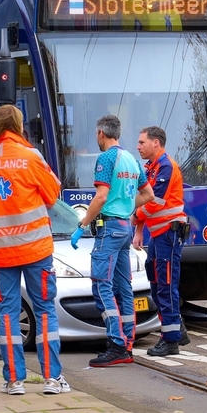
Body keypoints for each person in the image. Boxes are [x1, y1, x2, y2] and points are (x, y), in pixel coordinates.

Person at [0, 105, 66, 395]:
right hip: (35, 250)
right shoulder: (30, 157)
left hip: (0, 252)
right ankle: (52, 379)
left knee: (8, 314)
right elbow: (53, 194)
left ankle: (14, 380)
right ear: (18, 125)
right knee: (43, 312)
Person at [76, 115, 154, 368]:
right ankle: (127, 342)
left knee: (102, 285)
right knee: (123, 287)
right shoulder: (131, 159)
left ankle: (116, 343)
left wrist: (82, 224)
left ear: (101, 133)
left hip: (109, 228)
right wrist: (126, 207)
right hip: (124, 229)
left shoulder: (107, 158)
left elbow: (100, 197)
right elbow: (148, 194)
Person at [132, 126, 190, 357]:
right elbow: (144, 201)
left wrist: (135, 217)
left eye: (142, 142)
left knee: (165, 285)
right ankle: (177, 330)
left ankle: (171, 340)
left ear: (156, 143)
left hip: (168, 233)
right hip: (159, 235)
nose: (138, 146)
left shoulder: (166, 166)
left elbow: (154, 202)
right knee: (156, 283)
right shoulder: (151, 167)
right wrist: (138, 230)